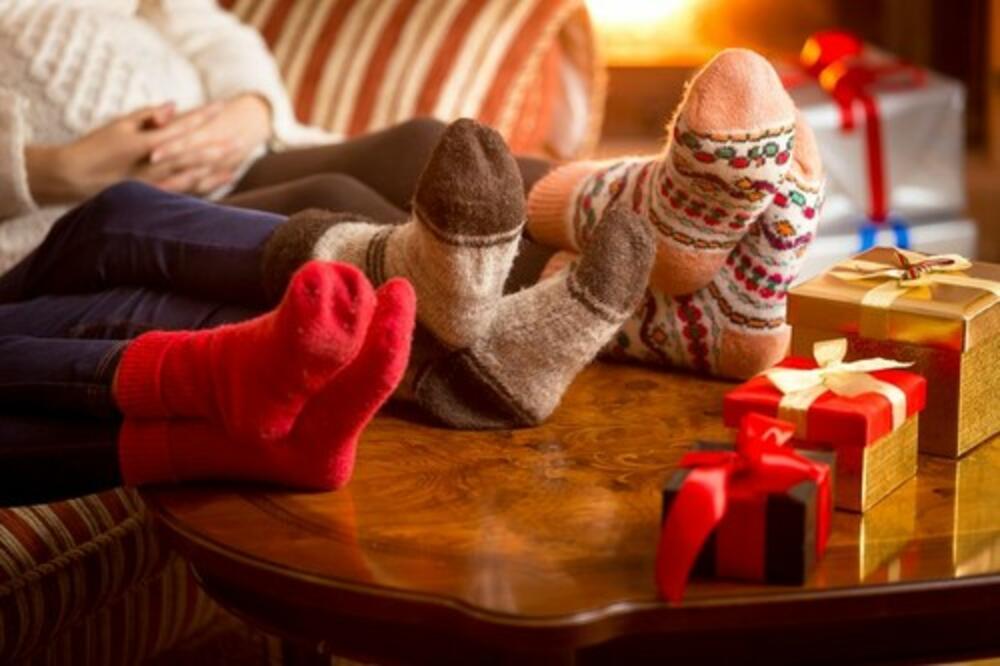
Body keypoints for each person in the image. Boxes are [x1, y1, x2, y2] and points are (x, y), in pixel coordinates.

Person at [0, 49, 825, 499]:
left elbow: (212, 32)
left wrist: (245, 108)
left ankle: (655, 272)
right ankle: (637, 276)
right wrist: (52, 167)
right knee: (332, 208)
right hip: (46, 215)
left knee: (424, 142)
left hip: (232, 154)